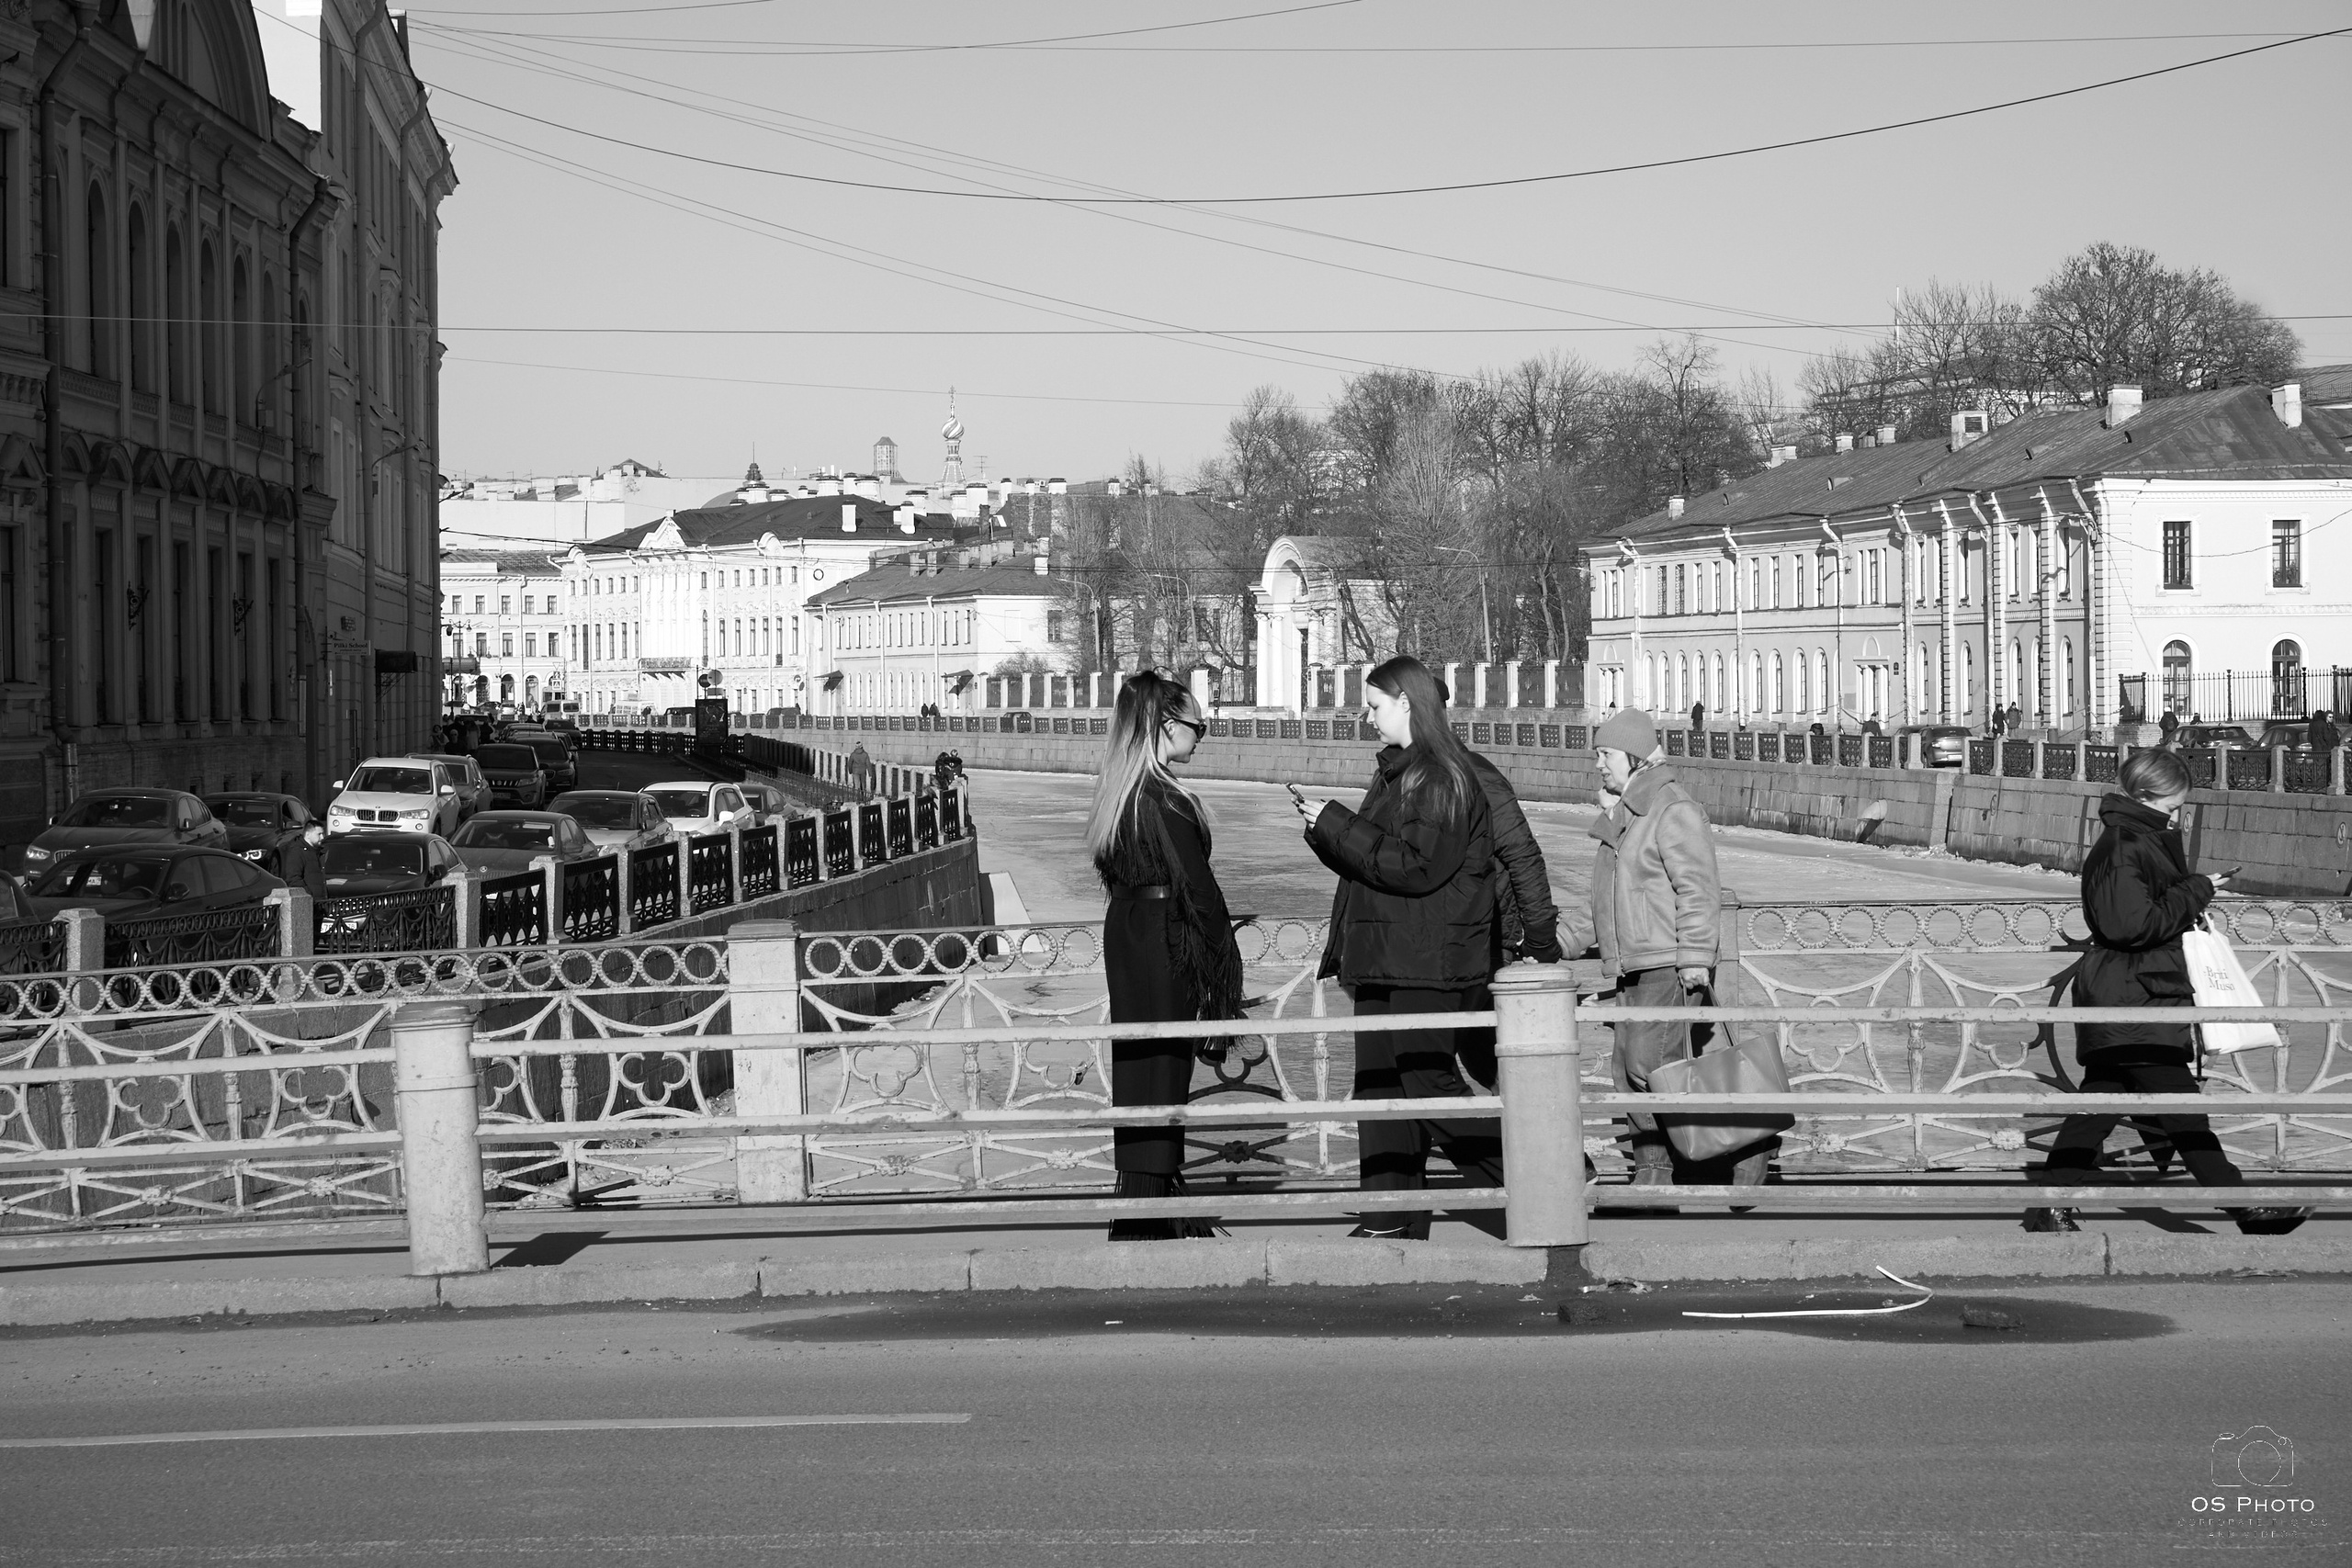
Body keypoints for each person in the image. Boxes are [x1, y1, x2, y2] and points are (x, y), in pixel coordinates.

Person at [2029, 750, 2309, 1235]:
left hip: (2136, 990)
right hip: (2134, 993)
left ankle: (2051, 1205)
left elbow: (2143, 915)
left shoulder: (2140, 839)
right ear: (2144, 796)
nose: (2178, 814)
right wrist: (2197, 888)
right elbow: (2130, 925)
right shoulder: (2123, 846)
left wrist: (2193, 889)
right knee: (2181, 1111)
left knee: (2099, 1106)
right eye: (2173, 805)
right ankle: (2244, 1208)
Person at [1294, 655, 1499, 1241]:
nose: (1366, 715)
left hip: (1424, 963)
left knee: (1428, 1087)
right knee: (1383, 1087)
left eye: (1375, 704)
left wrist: (1336, 824)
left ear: (1408, 703)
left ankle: (1543, 1178)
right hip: (1388, 955)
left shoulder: (1440, 777)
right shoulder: (1402, 772)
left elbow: (1415, 867)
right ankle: (1391, 1217)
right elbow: (1376, 860)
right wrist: (1323, 831)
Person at [1085, 671, 1244, 1242]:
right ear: (1166, 724)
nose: (1202, 735)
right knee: (1162, 1073)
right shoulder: (1166, 798)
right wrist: (1224, 967)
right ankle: (1148, 1218)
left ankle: (1145, 1204)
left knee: (1139, 1072)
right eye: (1198, 725)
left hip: (1129, 934)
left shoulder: (1119, 793)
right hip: (1164, 940)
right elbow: (1199, 891)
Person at [1587, 708, 1760, 1196]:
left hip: (1667, 961)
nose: (1599, 763)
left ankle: (1746, 1144)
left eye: (1606, 754)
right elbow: (1606, 902)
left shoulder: (1671, 809)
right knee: (1630, 1071)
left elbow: (1699, 889)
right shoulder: (1626, 816)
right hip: (1632, 965)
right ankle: (1654, 1173)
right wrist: (1556, 941)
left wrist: (1695, 957)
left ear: (1634, 756)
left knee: (1652, 1068)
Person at [269, 822, 328, 905]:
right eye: (319, 834)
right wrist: (309, 896)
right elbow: (293, 879)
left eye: (323, 834)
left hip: (321, 902)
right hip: (308, 904)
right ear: (308, 835)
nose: (322, 837)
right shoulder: (296, 852)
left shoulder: (318, 852)